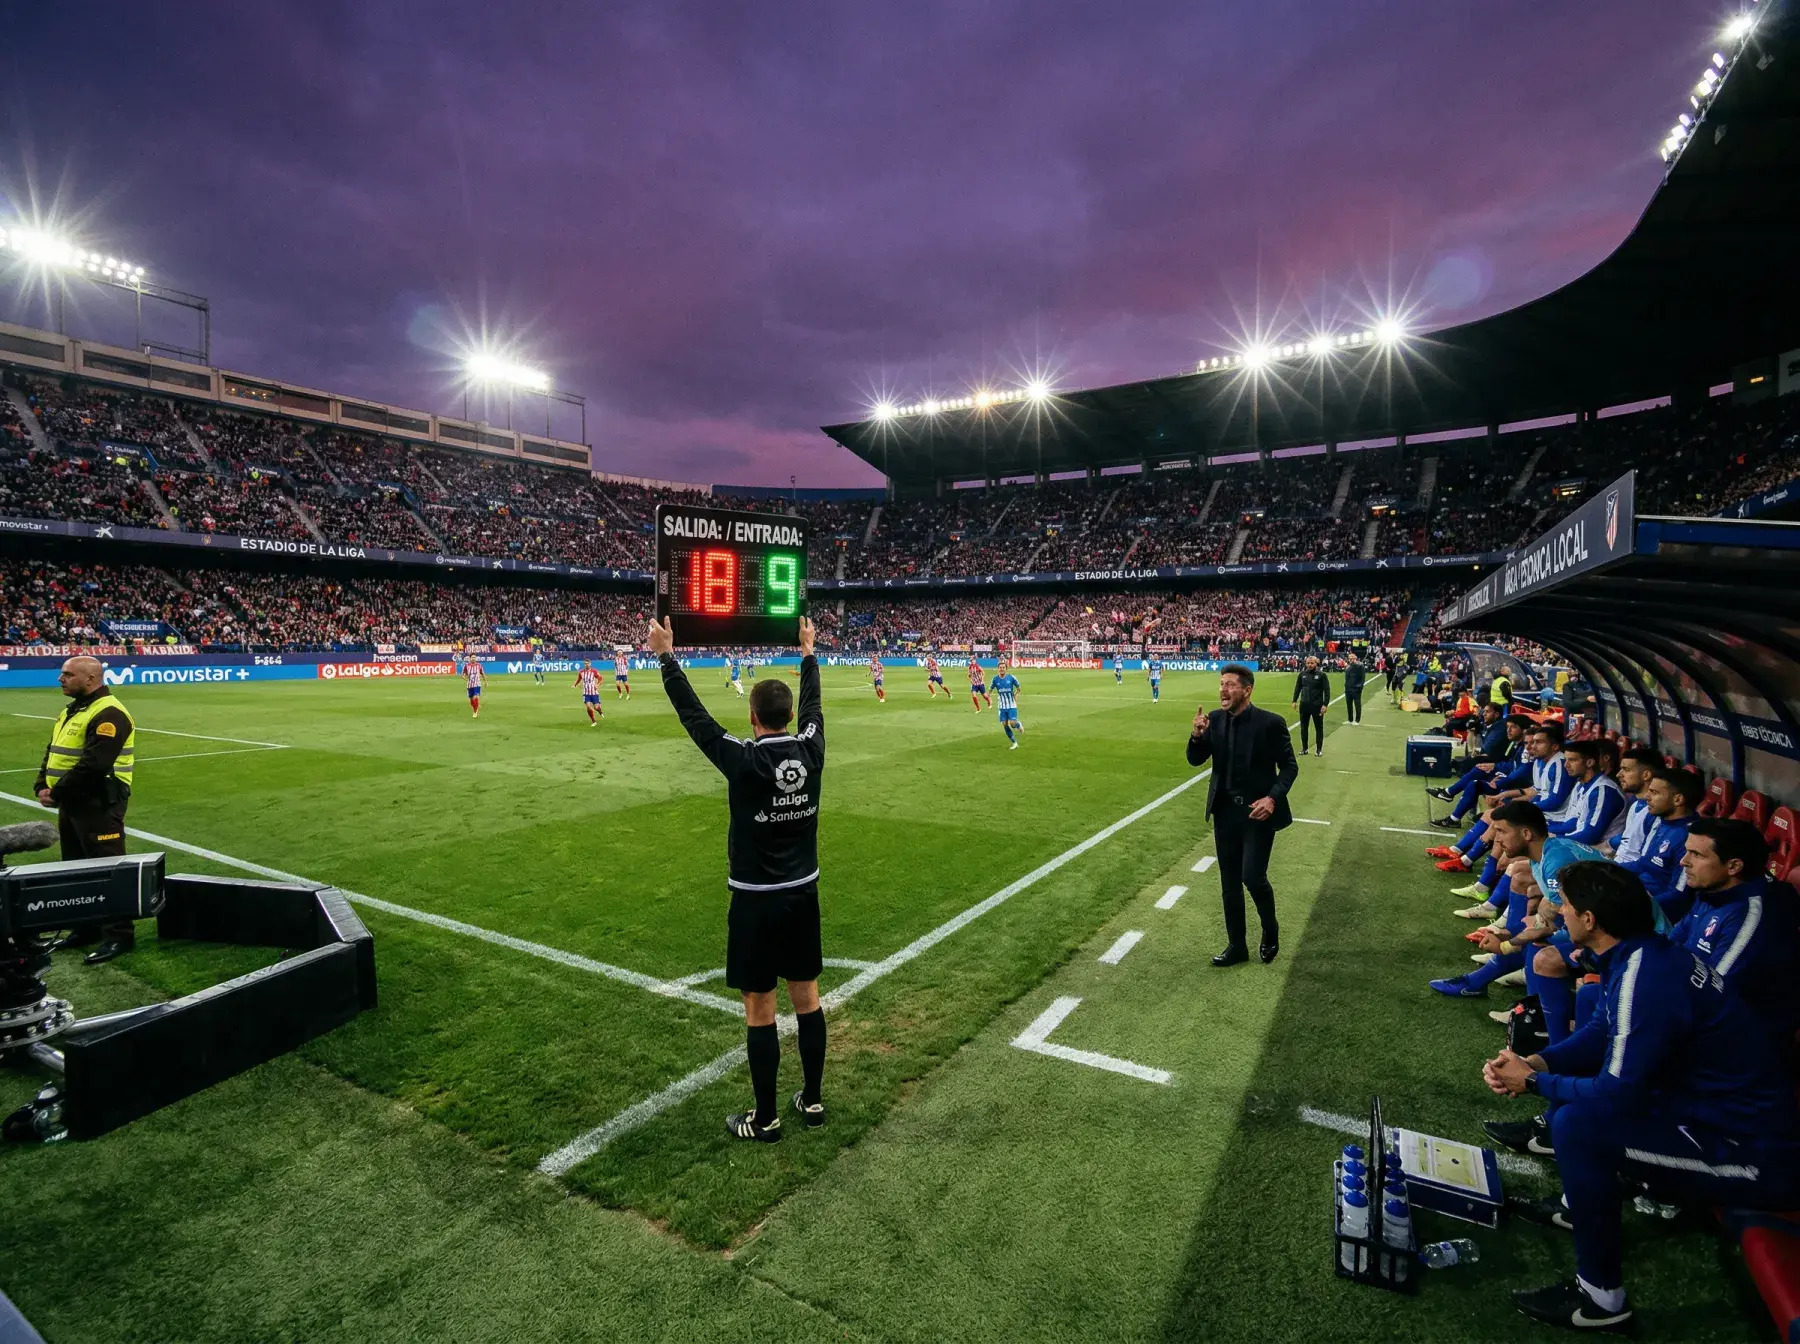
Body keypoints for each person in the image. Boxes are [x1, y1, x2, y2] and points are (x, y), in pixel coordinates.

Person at [1482, 862, 1800, 1332]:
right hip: (1706, 1114)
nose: (1559, 913)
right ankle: (1578, 1207)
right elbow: (1599, 1032)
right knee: (1577, 1110)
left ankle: (1600, 1301)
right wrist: (1539, 1064)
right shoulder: (1641, 954)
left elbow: (1616, 1092)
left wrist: (1530, 1084)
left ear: (1589, 920)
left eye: (1566, 907)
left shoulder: (1644, 973)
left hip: (1754, 1152)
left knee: (1579, 1126)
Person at [650, 614, 827, 1144]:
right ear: (789, 715)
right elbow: (817, 710)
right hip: (803, 894)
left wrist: (666, 657)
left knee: (760, 1007)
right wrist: (809, 653)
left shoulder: (742, 761)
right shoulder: (811, 751)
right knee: (808, 997)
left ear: (752, 718)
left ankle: (767, 1117)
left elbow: (697, 721)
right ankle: (813, 1101)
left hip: (754, 902)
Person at [1185, 664, 1298, 967]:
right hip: (1224, 812)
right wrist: (1196, 736)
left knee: (1252, 877)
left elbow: (1290, 767)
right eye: (1221, 683)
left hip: (1257, 813)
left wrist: (1272, 799)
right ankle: (1237, 946)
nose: (1223, 689)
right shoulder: (1215, 720)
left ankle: (1270, 929)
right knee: (1229, 882)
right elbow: (1196, 759)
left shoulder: (1270, 723)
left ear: (1247, 690)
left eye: (1231, 685)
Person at [33, 656, 138, 964]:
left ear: (91, 679)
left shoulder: (110, 713)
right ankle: (86, 927)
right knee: (76, 868)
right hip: (73, 801)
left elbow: (96, 764)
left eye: (68, 674)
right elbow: (54, 752)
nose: (60, 679)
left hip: (99, 802)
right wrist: (41, 783)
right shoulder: (73, 709)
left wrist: (57, 791)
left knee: (108, 869)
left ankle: (119, 935)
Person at [1674, 818, 1800, 1049]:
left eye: (1697, 855)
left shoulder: (1751, 916)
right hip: (1694, 1003)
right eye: (1686, 852)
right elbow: (1669, 945)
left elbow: (1714, 994)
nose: (1684, 862)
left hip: (1739, 1038)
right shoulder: (1712, 890)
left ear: (1733, 866)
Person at [1291, 655, 1329, 757]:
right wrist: (1294, 700)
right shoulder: (1302, 674)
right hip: (1304, 705)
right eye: (1308, 663)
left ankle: (1319, 749)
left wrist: (1325, 704)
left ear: (1316, 663)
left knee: (1318, 728)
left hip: (1317, 705)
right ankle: (1304, 748)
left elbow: (1327, 690)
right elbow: (1298, 688)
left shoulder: (1322, 675)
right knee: (1303, 727)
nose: (1310, 665)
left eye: (1312, 663)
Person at [991, 662, 1024, 749]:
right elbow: (990, 689)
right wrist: (988, 697)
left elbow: (1019, 687)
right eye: (1000, 667)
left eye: (1003, 667)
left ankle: (1018, 725)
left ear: (1006, 669)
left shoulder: (1011, 678)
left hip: (1011, 705)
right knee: (1005, 724)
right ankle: (1014, 743)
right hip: (1001, 706)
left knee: (1012, 723)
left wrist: (1016, 694)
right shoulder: (995, 679)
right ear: (998, 669)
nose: (1001, 669)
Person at [575, 660, 604, 726]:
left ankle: (600, 711)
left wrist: (597, 685)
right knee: (588, 707)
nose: (586, 665)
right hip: (586, 693)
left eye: (587, 663)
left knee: (596, 708)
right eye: (585, 664)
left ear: (590, 664)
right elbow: (579, 679)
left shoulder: (594, 671)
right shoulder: (581, 672)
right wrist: (575, 685)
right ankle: (594, 721)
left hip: (594, 693)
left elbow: (600, 678)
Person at [1342, 654, 1366, 724]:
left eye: (1352, 658)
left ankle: (1357, 720)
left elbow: (1363, 677)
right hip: (1348, 689)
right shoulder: (1348, 667)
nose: (1351, 660)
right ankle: (1350, 720)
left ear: (1355, 659)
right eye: (1350, 659)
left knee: (1357, 704)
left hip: (1356, 689)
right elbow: (1347, 678)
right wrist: (1346, 686)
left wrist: (1360, 686)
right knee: (1349, 705)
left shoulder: (1360, 666)